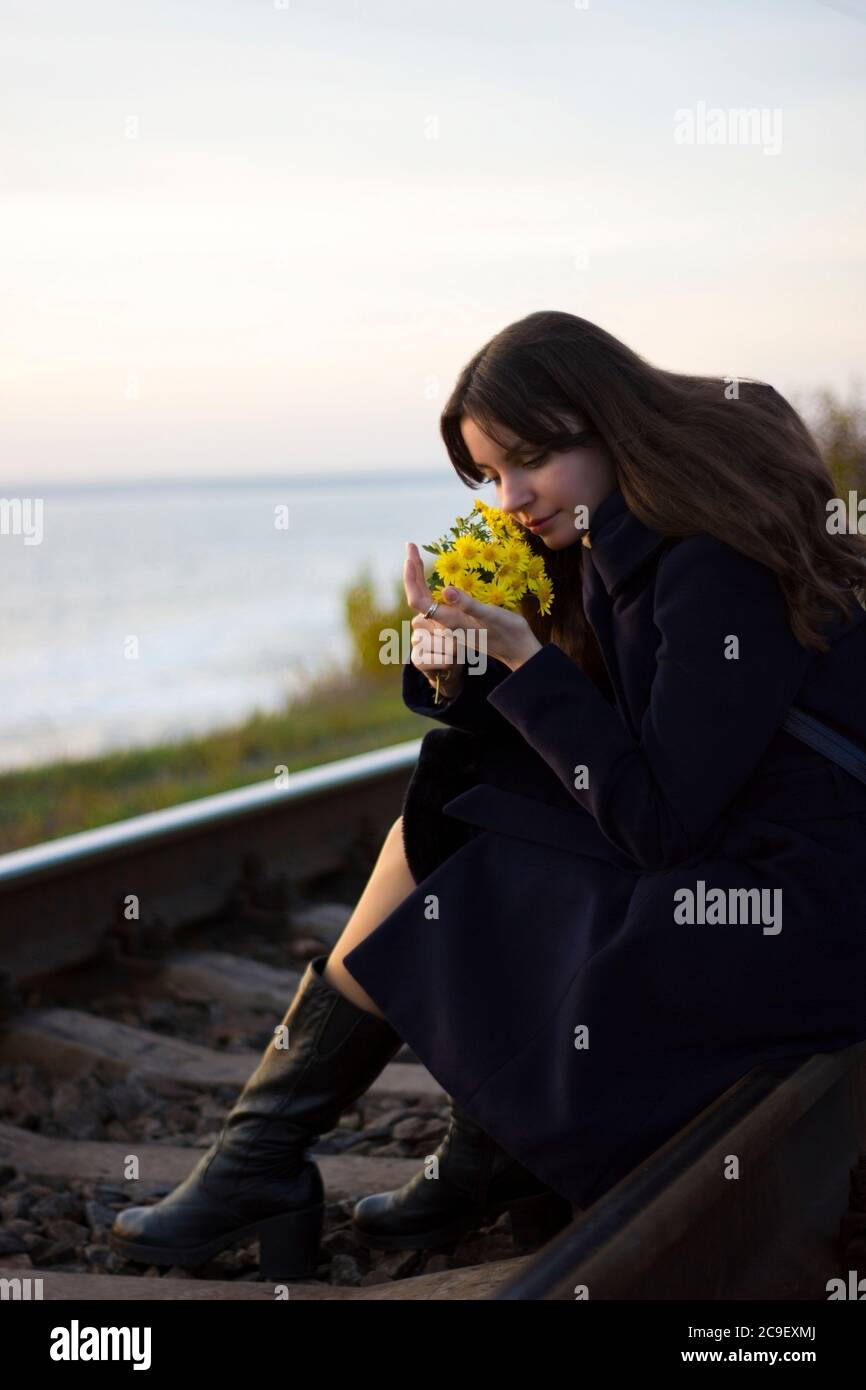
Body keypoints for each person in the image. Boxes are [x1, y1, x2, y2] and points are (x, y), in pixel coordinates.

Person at [111, 310, 866, 1280]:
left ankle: (281, 1160)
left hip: (798, 904)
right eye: (486, 476)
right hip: (737, 844)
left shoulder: (708, 564)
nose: (509, 498)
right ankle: (332, 1156)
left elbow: (658, 819)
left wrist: (519, 656)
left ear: (609, 424)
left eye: (530, 460)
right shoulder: (610, 537)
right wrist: (462, 666)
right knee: (454, 784)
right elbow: (594, 739)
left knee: (493, 857)